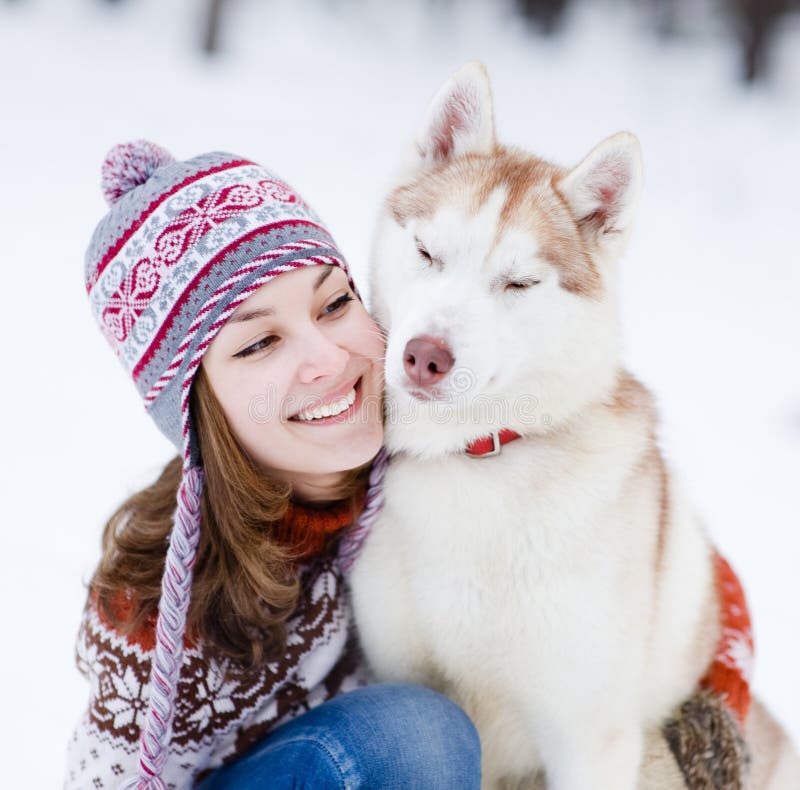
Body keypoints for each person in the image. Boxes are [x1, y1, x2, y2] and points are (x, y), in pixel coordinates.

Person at [64, 141, 482, 789]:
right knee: (412, 735)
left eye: (336, 304)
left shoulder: (427, 446)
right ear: (194, 408)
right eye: (259, 342)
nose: (328, 358)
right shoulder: (161, 612)